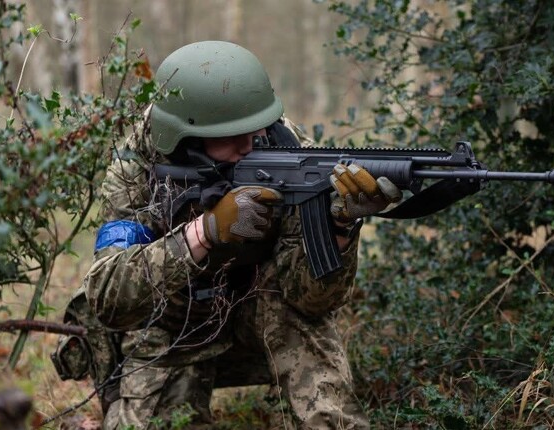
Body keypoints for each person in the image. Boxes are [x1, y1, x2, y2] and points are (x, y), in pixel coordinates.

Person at [82, 40, 401, 429]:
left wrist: (340, 227)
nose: (250, 144)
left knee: (298, 321)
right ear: (188, 135)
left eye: (255, 129)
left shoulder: (286, 149)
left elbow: (313, 302)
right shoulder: (137, 170)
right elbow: (109, 299)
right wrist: (203, 233)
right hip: (175, 325)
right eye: (232, 136)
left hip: (262, 312)